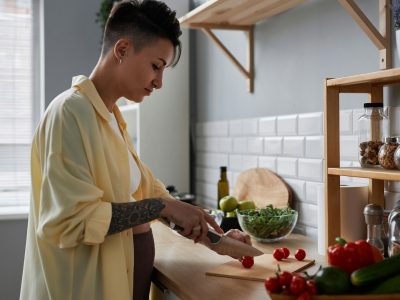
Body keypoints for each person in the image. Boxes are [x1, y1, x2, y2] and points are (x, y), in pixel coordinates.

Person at [20, 1, 251, 299]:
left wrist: (215, 235)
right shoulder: (69, 113)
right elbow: (70, 221)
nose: (159, 82)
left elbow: (148, 192)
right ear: (122, 49)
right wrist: (163, 207)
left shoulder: (112, 117)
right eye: (156, 66)